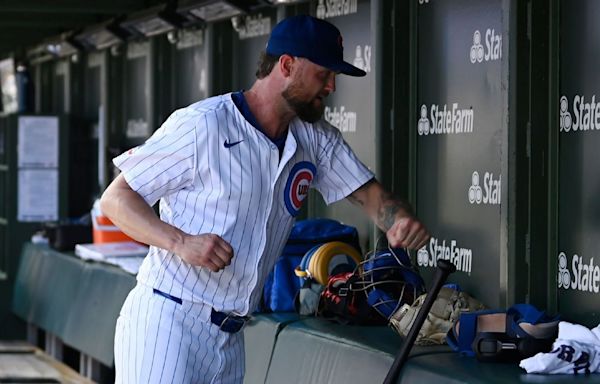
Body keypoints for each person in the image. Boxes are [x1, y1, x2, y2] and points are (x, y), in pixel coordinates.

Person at [101, 14, 430, 384]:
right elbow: (116, 200)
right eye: (324, 74)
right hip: (169, 320)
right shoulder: (204, 124)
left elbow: (373, 199)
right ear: (287, 65)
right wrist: (181, 242)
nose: (332, 86)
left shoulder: (315, 138)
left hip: (231, 335)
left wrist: (398, 221)